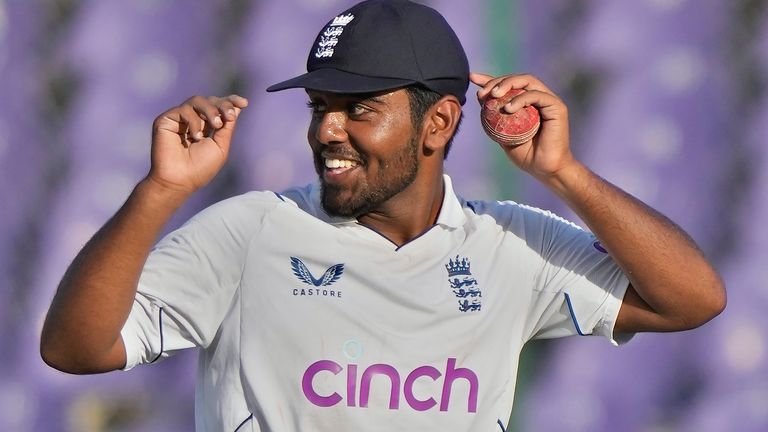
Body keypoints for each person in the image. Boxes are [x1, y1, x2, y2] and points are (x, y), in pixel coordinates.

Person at [40, 0, 726, 430]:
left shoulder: (512, 244)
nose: (328, 130)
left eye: (360, 109)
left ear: (440, 123)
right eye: (320, 108)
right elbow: (75, 350)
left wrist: (562, 172)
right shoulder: (246, 232)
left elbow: (691, 299)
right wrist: (159, 192)